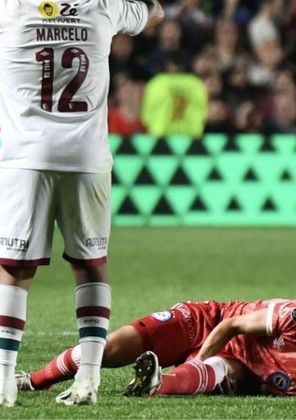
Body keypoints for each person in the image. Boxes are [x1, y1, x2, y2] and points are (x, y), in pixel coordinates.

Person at [0, 0, 164, 407]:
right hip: (87, 159)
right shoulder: (103, 6)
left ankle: (3, 381)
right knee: (90, 265)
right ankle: (88, 379)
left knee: (14, 270)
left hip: (27, 158)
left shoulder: (11, 9)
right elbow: (155, 12)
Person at [16, 298, 296, 397]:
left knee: (229, 372)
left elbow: (256, 384)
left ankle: (156, 385)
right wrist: (197, 360)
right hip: (207, 322)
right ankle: (34, 380)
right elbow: (232, 326)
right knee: (108, 350)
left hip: (233, 360)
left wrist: (200, 372)